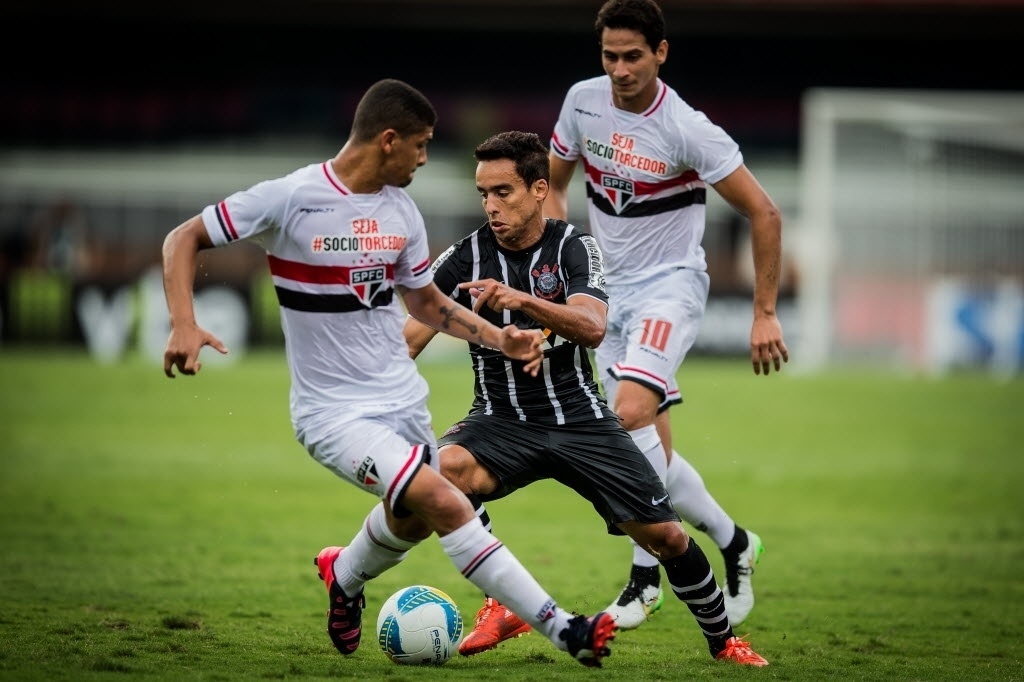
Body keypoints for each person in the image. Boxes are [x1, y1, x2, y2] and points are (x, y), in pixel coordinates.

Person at [160, 78, 617, 668]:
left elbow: (429, 305)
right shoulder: (291, 197)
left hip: (400, 398)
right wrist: (182, 322)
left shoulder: (401, 212)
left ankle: (343, 574)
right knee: (444, 501)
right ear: (389, 140)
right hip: (333, 412)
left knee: (415, 516)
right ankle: (566, 629)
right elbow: (183, 238)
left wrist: (501, 337)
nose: (426, 159)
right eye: (422, 145)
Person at [404, 130, 768, 666]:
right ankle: (498, 605)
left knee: (666, 536)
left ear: (538, 189)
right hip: (499, 420)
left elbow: (593, 327)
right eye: (483, 193)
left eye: (503, 192)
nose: (491, 205)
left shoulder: (575, 247)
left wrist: (523, 300)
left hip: (581, 420)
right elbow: (409, 337)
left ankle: (724, 640)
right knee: (440, 472)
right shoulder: (462, 259)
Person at [543, 0, 790, 630]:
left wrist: (765, 312)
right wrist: (559, 249)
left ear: (661, 53)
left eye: (633, 56)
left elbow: (764, 213)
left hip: (669, 289)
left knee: (623, 418)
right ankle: (733, 543)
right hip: (602, 293)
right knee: (654, 449)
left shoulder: (688, 129)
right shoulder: (581, 101)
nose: (620, 68)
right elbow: (556, 181)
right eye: (610, 55)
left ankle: (645, 577)